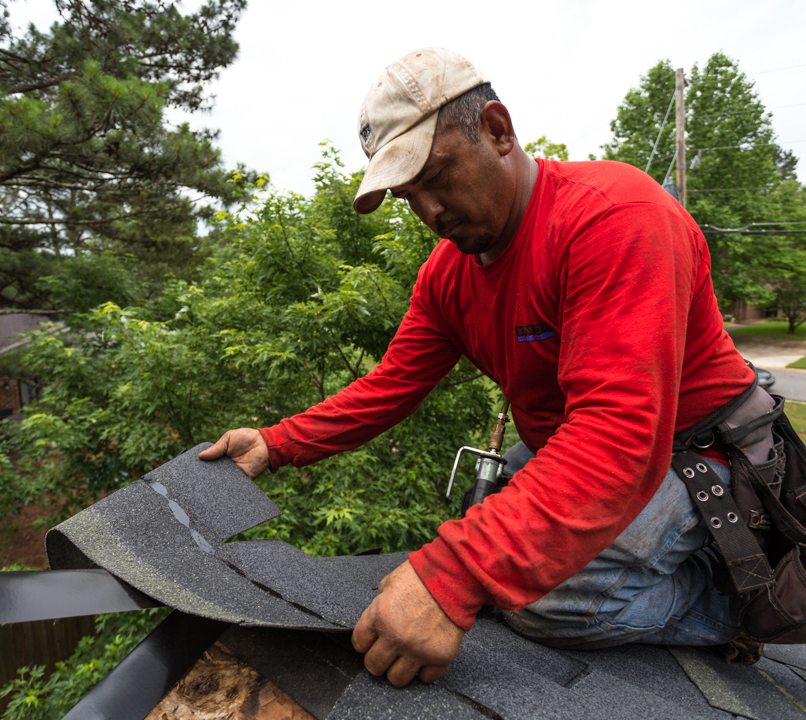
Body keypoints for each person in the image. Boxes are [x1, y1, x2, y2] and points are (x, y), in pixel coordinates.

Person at [198, 48, 754, 686]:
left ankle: (733, 593)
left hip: (697, 453)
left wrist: (453, 577)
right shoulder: (448, 276)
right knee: (488, 538)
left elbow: (619, 434)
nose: (431, 212)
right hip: (578, 450)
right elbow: (390, 386)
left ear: (497, 130)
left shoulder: (615, 217)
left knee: (543, 603)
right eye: (411, 197)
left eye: (437, 178)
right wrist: (275, 443)